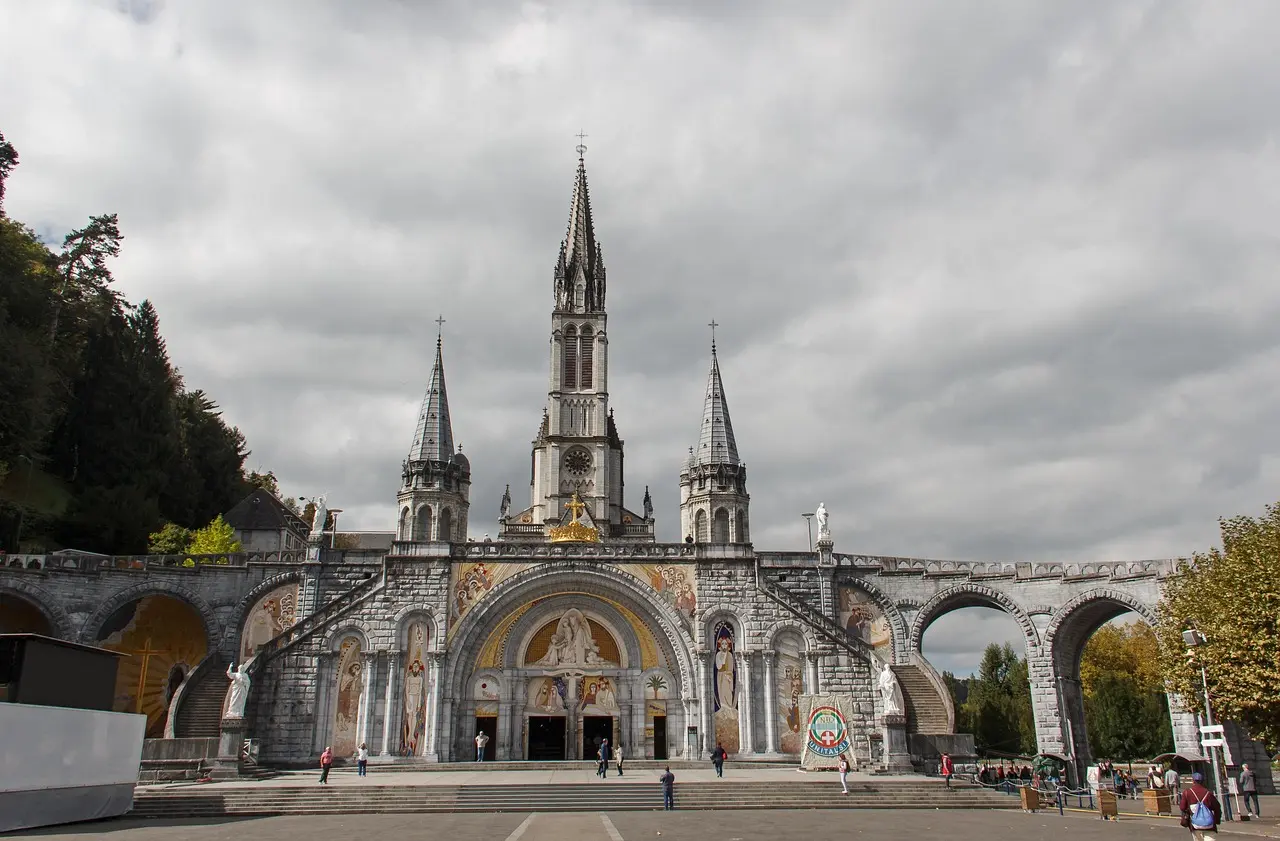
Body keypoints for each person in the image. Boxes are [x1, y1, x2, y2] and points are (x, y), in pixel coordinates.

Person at [1179, 772, 1221, 840]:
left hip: (1195, 824)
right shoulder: (1208, 793)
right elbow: (1217, 807)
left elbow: (1182, 807)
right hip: (1209, 824)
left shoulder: (1187, 792)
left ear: (1193, 781)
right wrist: (1217, 820)